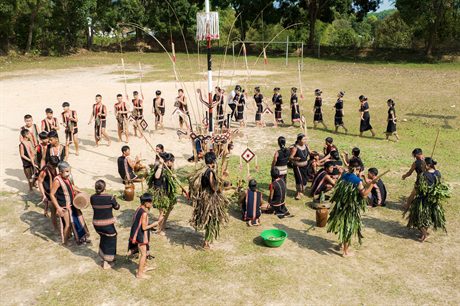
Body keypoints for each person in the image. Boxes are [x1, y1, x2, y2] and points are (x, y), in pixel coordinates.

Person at [327, 161, 377, 256]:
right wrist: (371, 185)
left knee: (343, 224)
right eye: (360, 170)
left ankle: (342, 244)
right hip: (350, 208)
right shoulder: (357, 181)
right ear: (357, 169)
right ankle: (345, 252)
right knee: (347, 227)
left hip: (342, 205)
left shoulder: (345, 175)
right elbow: (364, 195)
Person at [189, 152, 229, 249]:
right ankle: (206, 242)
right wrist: (223, 178)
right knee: (212, 219)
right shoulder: (210, 172)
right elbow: (214, 188)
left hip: (204, 197)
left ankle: (207, 239)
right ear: (213, 161)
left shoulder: (203, 170)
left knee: (210, 218)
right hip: (210, 199)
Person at [405, 158, 449, 242]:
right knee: (428, 218)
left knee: (417, 218)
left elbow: (416, 189)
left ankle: (424, 233)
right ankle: (423, 233)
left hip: (423, 201)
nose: (421, 166)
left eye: (423, 164)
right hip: (433, 201)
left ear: (428, 165)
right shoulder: (438, 173)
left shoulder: (423, 175)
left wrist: (409, 202)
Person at [49, 161, 90, 245]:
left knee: (79, 220)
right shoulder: (57, 181)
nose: (69, 173)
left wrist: (80, 191)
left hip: (72, 204)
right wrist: (58, 208)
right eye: (67, 171)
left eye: (69, 171)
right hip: (64, 206)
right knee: (67, 225)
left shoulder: (67, 178)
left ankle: (81, 238)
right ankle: (65, 242)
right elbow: (52, 194)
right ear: (60, 172)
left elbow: (72, 186)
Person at [90, 180, 120, 269]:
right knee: (111, 240)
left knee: (103, 238)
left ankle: (103, 257)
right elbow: (117, 207)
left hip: (96, 224)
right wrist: (114, 199)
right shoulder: (110, 197)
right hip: (107, 225)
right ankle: (107, 262)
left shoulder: (92, 197)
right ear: (105, 187)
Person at [128, 193, 157, 279]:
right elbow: (144, 227)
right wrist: (153, 224)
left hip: (137, 234)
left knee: (144, 254)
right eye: (151, 202)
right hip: (140, 236)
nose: (152, 204)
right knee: (143, 254)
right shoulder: (144, 213)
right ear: (146, 203)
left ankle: (144, 267)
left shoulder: (139, 209)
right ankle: (139, 274)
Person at [147, 153, 177, 235]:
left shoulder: (168, 168)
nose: (173, 163)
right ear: (168, 161)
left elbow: (169, 177)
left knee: (169, 208)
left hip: (167, 192)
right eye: (172, 161)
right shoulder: (159, 167)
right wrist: (160, 164)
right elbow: (157, 177)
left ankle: (163, 225)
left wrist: (172, 176)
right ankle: (159, 230)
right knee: (162, 212)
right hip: (160, 192)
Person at [37, 156, 59, 227]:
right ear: (49, 163)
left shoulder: (54, 167)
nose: (54, 168)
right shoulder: (44, 172)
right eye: (53, 166)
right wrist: (43, 195)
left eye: (55, 166)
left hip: (54, 190)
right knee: (53, 211)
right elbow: (40, 182)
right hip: (48, 192)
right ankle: (55, 227)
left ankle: (46, 210)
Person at [290, 133, 310, 200]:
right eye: (303, 139)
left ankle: (302, 191)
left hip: (305, 166)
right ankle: (298, 192)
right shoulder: (295, 148)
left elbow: (309, 152)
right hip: (298, 167)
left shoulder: (306, 145)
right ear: (299, 140)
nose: (305, 140)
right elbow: (290, 157)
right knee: (299, 180)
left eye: (305, 139)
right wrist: (295, 158)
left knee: (305, 179)